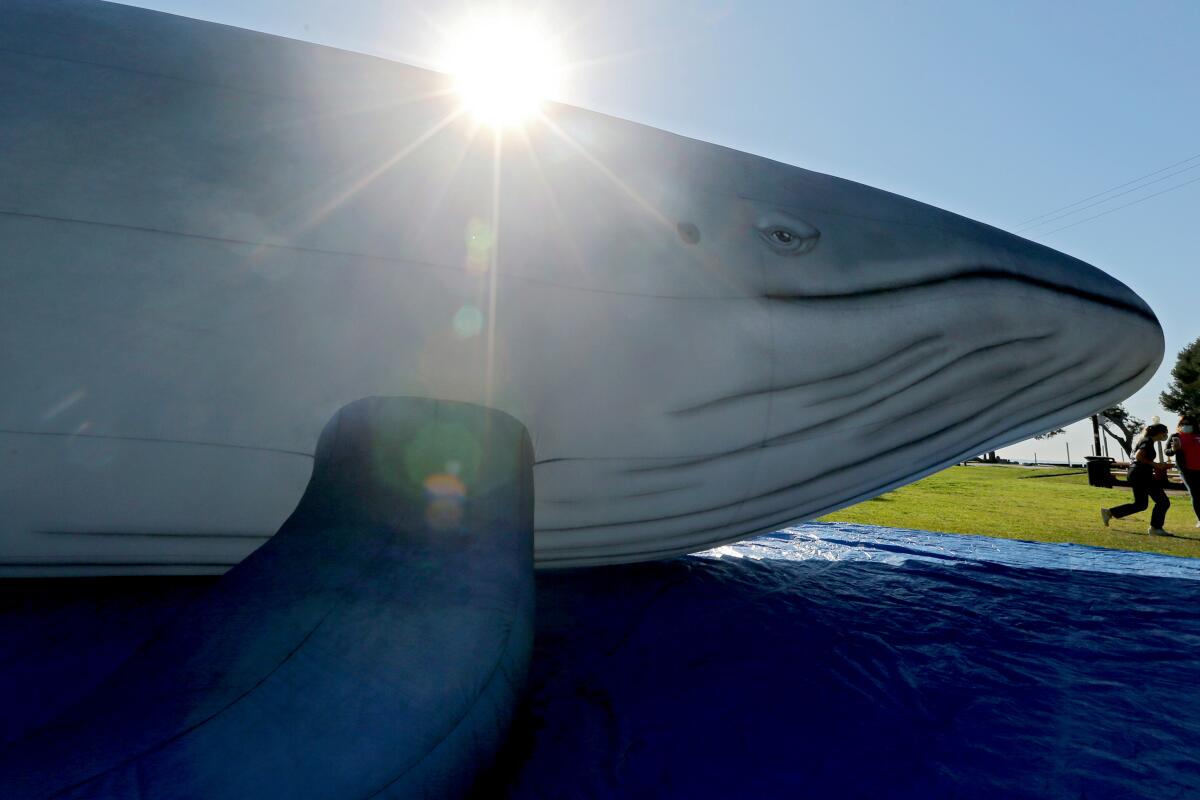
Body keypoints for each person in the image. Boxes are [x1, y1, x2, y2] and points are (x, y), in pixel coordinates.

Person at [1101, 423, 1172, 535]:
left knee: (1141, 504)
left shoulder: (1144, 440)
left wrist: (1154, 465)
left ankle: (1109, 512)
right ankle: (1155, 528)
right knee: (1163, 502)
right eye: (1165, 432)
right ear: (1159, 433)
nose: (1166, 435)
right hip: (1142, 474)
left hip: (1136, 473)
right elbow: (1139, 456)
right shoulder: (1147, 441)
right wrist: (1156, 465)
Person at [1166, 414, 1200, 528]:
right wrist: (1173, 449)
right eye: (1183, 424)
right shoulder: (1176, 436)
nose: (1185, 426)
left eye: (1188, 424)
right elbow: (1167, 451)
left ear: (1194, 425)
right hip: (1186, 470)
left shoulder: (1198, 435)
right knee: (1195, 493)